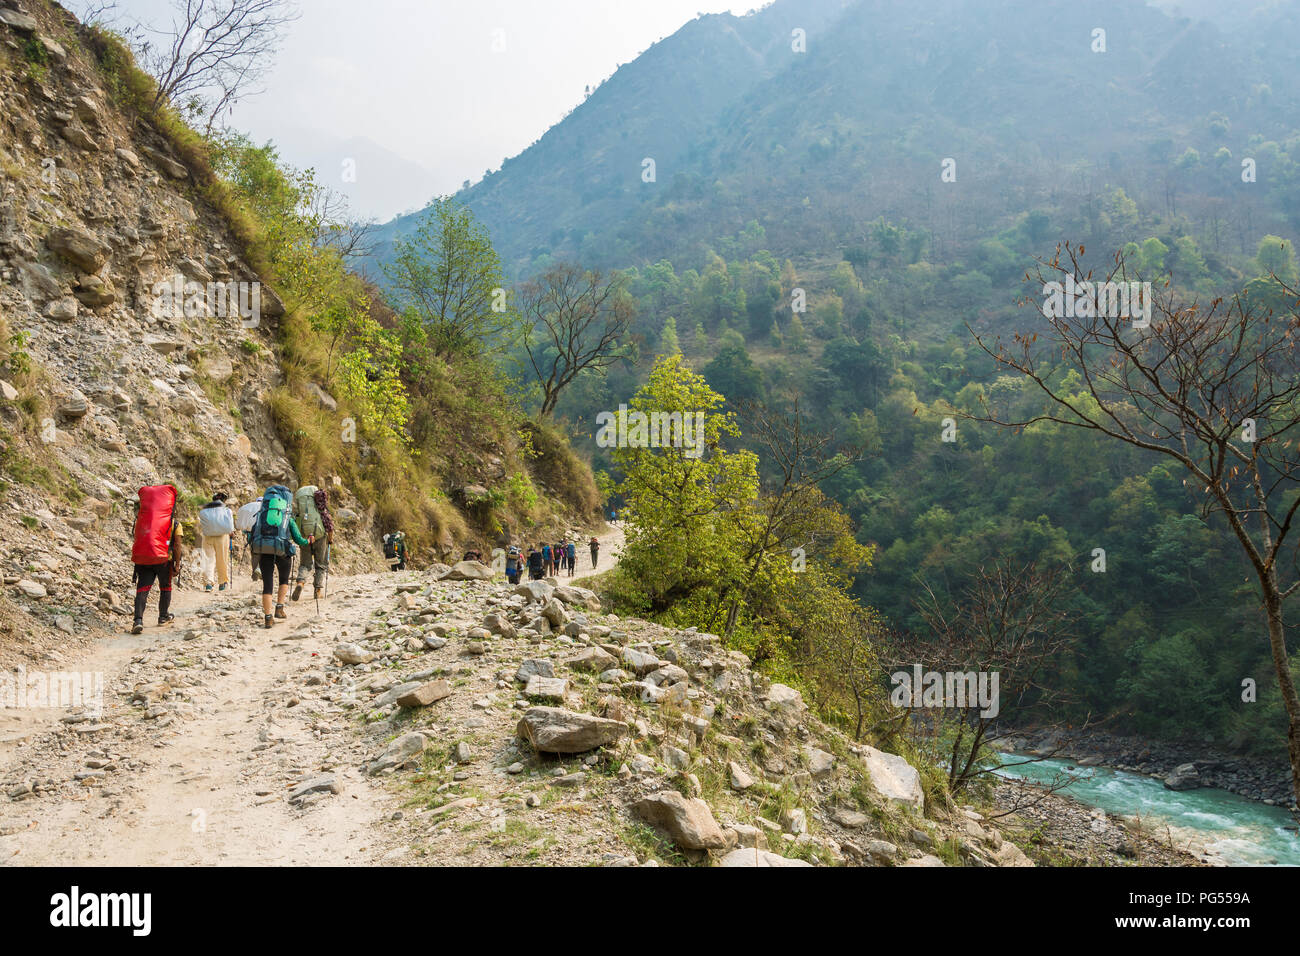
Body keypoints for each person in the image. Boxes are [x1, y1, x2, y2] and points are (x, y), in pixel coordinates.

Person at [249, 485, 310, 629]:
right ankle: (279, 608)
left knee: (267, 585)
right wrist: (308, 541)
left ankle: (268, 618)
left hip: (265, 550)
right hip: (282, 551)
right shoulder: (286, 515)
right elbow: (298, 539)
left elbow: (252, 534)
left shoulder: (262, 514)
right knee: (284, 580)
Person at [130, 485, 182, 634]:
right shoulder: (174, 523)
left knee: (142, 589)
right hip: (164, 560)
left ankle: (138, 620)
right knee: (165, 587)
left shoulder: (142, 519)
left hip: (144, 558)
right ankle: (163, 616)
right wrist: (177, 564)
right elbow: (177, 545)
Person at [291, 483, 333, 602]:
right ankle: (317, 591)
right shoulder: (321, 509)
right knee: (320, 564)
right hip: (320, 537)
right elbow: (329, 526)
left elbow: (294, 520)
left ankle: (300, 583)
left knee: (305, 564)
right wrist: (330, 539)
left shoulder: (300, 508)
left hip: (305, 535)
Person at [197, 491, 234, 592]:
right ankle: (222, 583)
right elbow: (230, 528)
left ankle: (208, 584)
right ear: (224, 501)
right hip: (222, 537)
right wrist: (232, 534)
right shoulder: (227, 510)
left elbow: (201, 524)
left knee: (208, 559)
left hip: (207, 537)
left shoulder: (204, 511)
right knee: (222, 559)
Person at [236, 493, 263, 581]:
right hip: (264, 534)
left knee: (254, 554)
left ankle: (255, 572)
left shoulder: (249, 507)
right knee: (264, 553)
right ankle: (261, 570)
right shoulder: (267, 507)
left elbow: (244, 526)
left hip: (251, 535)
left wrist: (245, 531)